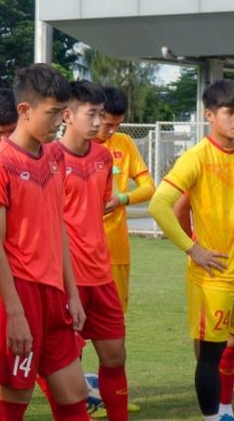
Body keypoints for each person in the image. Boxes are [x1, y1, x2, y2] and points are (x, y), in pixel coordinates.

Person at [149, 79, 234, 421]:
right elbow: (159, 204)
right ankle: (212, 418)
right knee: (213, 354)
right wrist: (193, 250)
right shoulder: (196, 157)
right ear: (209, 115)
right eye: (229, 112)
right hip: (212, 277)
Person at [0, 64, 90, 421]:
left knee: (75, 392)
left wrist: (71, 292)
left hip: (53, 294)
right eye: (53, 112)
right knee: (15, 397)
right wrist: (14, 314)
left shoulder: (55, 157)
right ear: (24, 111)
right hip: (17, 293)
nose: (60, 120)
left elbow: (58, 227)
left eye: (62, 112)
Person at [56, 80, 130, 421]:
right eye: (92, 114)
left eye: (101, 115)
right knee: (62, 365)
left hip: (101, 274)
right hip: (65, 278)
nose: (99, 123)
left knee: (115, 356)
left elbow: (100, 208)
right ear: (68, 115)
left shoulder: (103, 157)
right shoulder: (52, 158)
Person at [96, 86, 155, 313]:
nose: (112, 131)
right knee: (73, 331)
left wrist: (121, 199)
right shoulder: (75, 147)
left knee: (115, 321)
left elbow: (149, 187)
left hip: (116, 249)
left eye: (117, 125)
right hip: (79, 254)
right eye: (108, 124)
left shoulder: (124, 143)